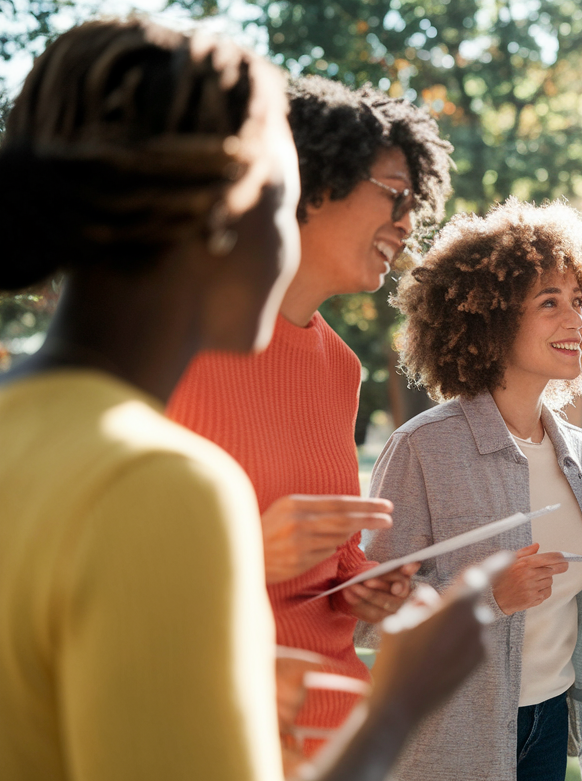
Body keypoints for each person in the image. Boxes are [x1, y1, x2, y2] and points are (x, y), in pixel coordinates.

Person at [0, 18, 483, 781]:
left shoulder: (16, 421)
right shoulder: (164, 484)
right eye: (283, 196)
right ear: (224, 211)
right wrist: (400, 702)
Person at [166, 74, 454, 749]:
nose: (408, 223)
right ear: (310, 179)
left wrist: (362, 587)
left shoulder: (339, 366)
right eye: (394, 194)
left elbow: (328, 557)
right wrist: (243, 557)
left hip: (331, 734)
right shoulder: (168, 339)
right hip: (208, 734)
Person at [357, 199, 582, 781]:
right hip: (448, 731)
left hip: (549, 721)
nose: (575, 320)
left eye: (580, 303)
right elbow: (366, 610)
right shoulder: (424, 448)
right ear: (492, 317)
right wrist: (489, 599)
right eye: (549, 303)